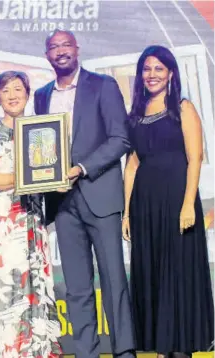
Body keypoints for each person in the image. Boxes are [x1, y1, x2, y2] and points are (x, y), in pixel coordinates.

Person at [34, 30, 136, 358]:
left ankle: (124, 352)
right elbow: (39, 147)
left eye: (66, 45)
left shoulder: (102, 86)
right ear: (47, 55)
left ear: (77, 49)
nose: (61, 51)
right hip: (63, 203)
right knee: (77, 288)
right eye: (54, 47)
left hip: (100, 196)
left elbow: (121, 139)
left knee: (113, 282)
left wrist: (81, 168)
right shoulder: (40, 95)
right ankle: (87, 353)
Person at [123, 45, 214, 358]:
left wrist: (189, 204)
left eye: (158, 68)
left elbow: (195, 157)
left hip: (177, 200)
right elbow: (132, 164)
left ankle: (181, 349)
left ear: (171, 72)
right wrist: (126, 214)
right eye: (146, 69)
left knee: (178, 273)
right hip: (145, 205)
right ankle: (162, 349)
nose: (152, 75)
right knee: (154, 273)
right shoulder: (135, 114)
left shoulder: (183, 108)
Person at [0, 71, 62, 357]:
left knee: (33, 287)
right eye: (6, 90)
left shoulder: (40, 131)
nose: (12, 95)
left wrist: (57, 177)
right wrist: (24, 177)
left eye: (18, 89)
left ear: (28, 93)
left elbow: (51, 176)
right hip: (2, 224)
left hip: (32, 220)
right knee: (5, 289)